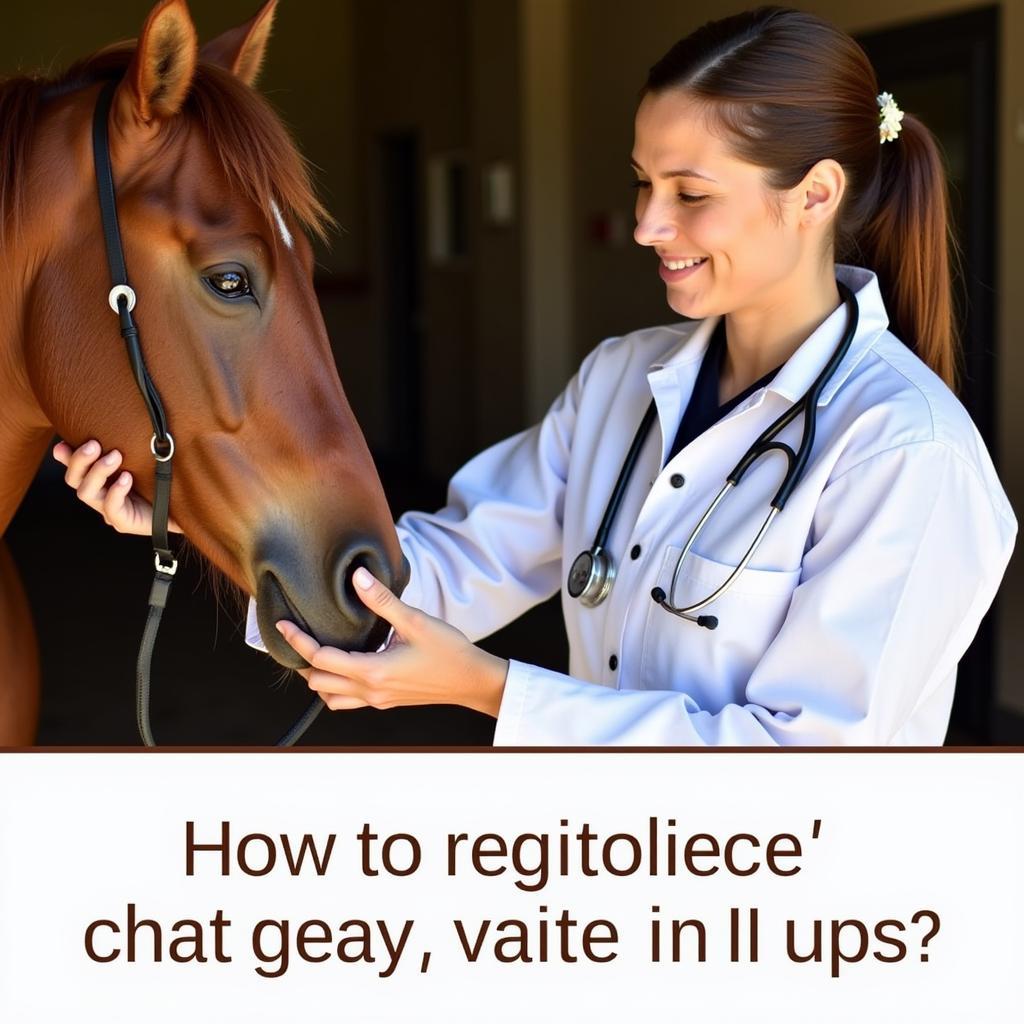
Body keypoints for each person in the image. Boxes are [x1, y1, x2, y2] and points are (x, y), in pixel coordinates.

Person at [56, 6, 1016, 745]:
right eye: (644, 183)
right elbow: (437, 576)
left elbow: (809, 778)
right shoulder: (620, 386)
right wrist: (195, 518)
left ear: (814, 195)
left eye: (691, 195)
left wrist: (489, 689)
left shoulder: (907, 453)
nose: (646, 225)